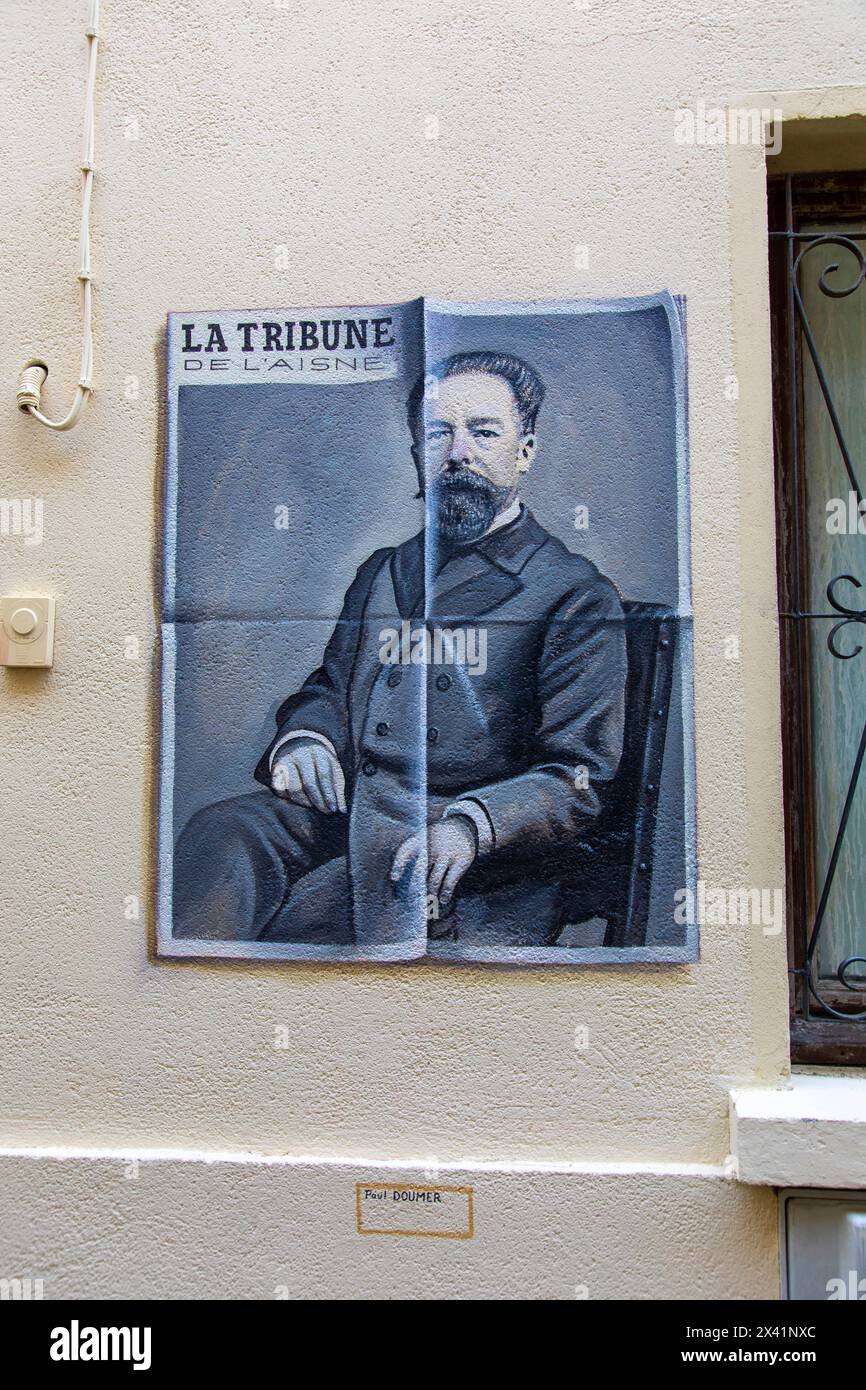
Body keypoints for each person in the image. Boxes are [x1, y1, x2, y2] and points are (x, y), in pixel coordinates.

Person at [173, 350, 627, 948]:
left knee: (300, 929)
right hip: (356, 811)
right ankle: (190, 1013)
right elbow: (331, 689)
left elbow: (579, 776)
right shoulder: (383, 572)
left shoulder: (576, 594)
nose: (458, 453)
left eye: (483, 432)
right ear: (418, 455)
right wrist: (307, 740)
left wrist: (474, 826)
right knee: (221, 834)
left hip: (471, 849)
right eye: (439, 433)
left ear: (525, 452)